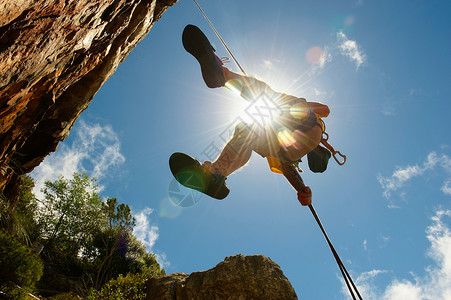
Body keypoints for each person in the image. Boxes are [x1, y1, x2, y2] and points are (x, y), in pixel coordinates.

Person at [172, 25, 330, 200]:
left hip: (305, 127)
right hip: (285, 144)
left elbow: (325, 110)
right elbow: (289, 171)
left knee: (268, 96)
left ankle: (222, 75)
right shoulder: (289, 158)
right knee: (247, 131)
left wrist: (298, 104)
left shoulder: (312, 131)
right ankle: (215, 175)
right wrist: (301, 190)